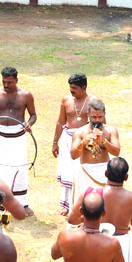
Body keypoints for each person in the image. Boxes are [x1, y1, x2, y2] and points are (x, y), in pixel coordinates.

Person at [0, 66, 38, 214]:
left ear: (16, 80)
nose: (6, 85)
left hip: (18, 136)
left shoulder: (26, 95)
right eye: (4, 82)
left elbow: (33, 115)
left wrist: (29, 123)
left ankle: (22, 203)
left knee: (19, 167)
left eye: (9, 82)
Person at [52, 73, 97, 215]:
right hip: (67, 140)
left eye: (75, 89)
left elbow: (100, 124)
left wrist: (93, 144)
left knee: (82, 172)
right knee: (68, 172)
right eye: (70, 88)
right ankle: (67, 204)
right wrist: (55, 142)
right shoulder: (66, 100)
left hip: (85, 141)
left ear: (84, 87)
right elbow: (61, 121)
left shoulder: (94, 102)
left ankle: (83, 205)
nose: (71, 91)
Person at [69, 100, 121, 221]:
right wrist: (83, 143)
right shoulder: (80, 132)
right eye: (94, 117)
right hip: (85, 173)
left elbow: (116, 152)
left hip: (104, 173)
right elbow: (73, 155)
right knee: (83, 205)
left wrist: (104, 141)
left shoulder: (111, 130)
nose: (97, 120)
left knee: (105, 206)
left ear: (104, 114)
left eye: (100, 117)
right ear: (88, 114)